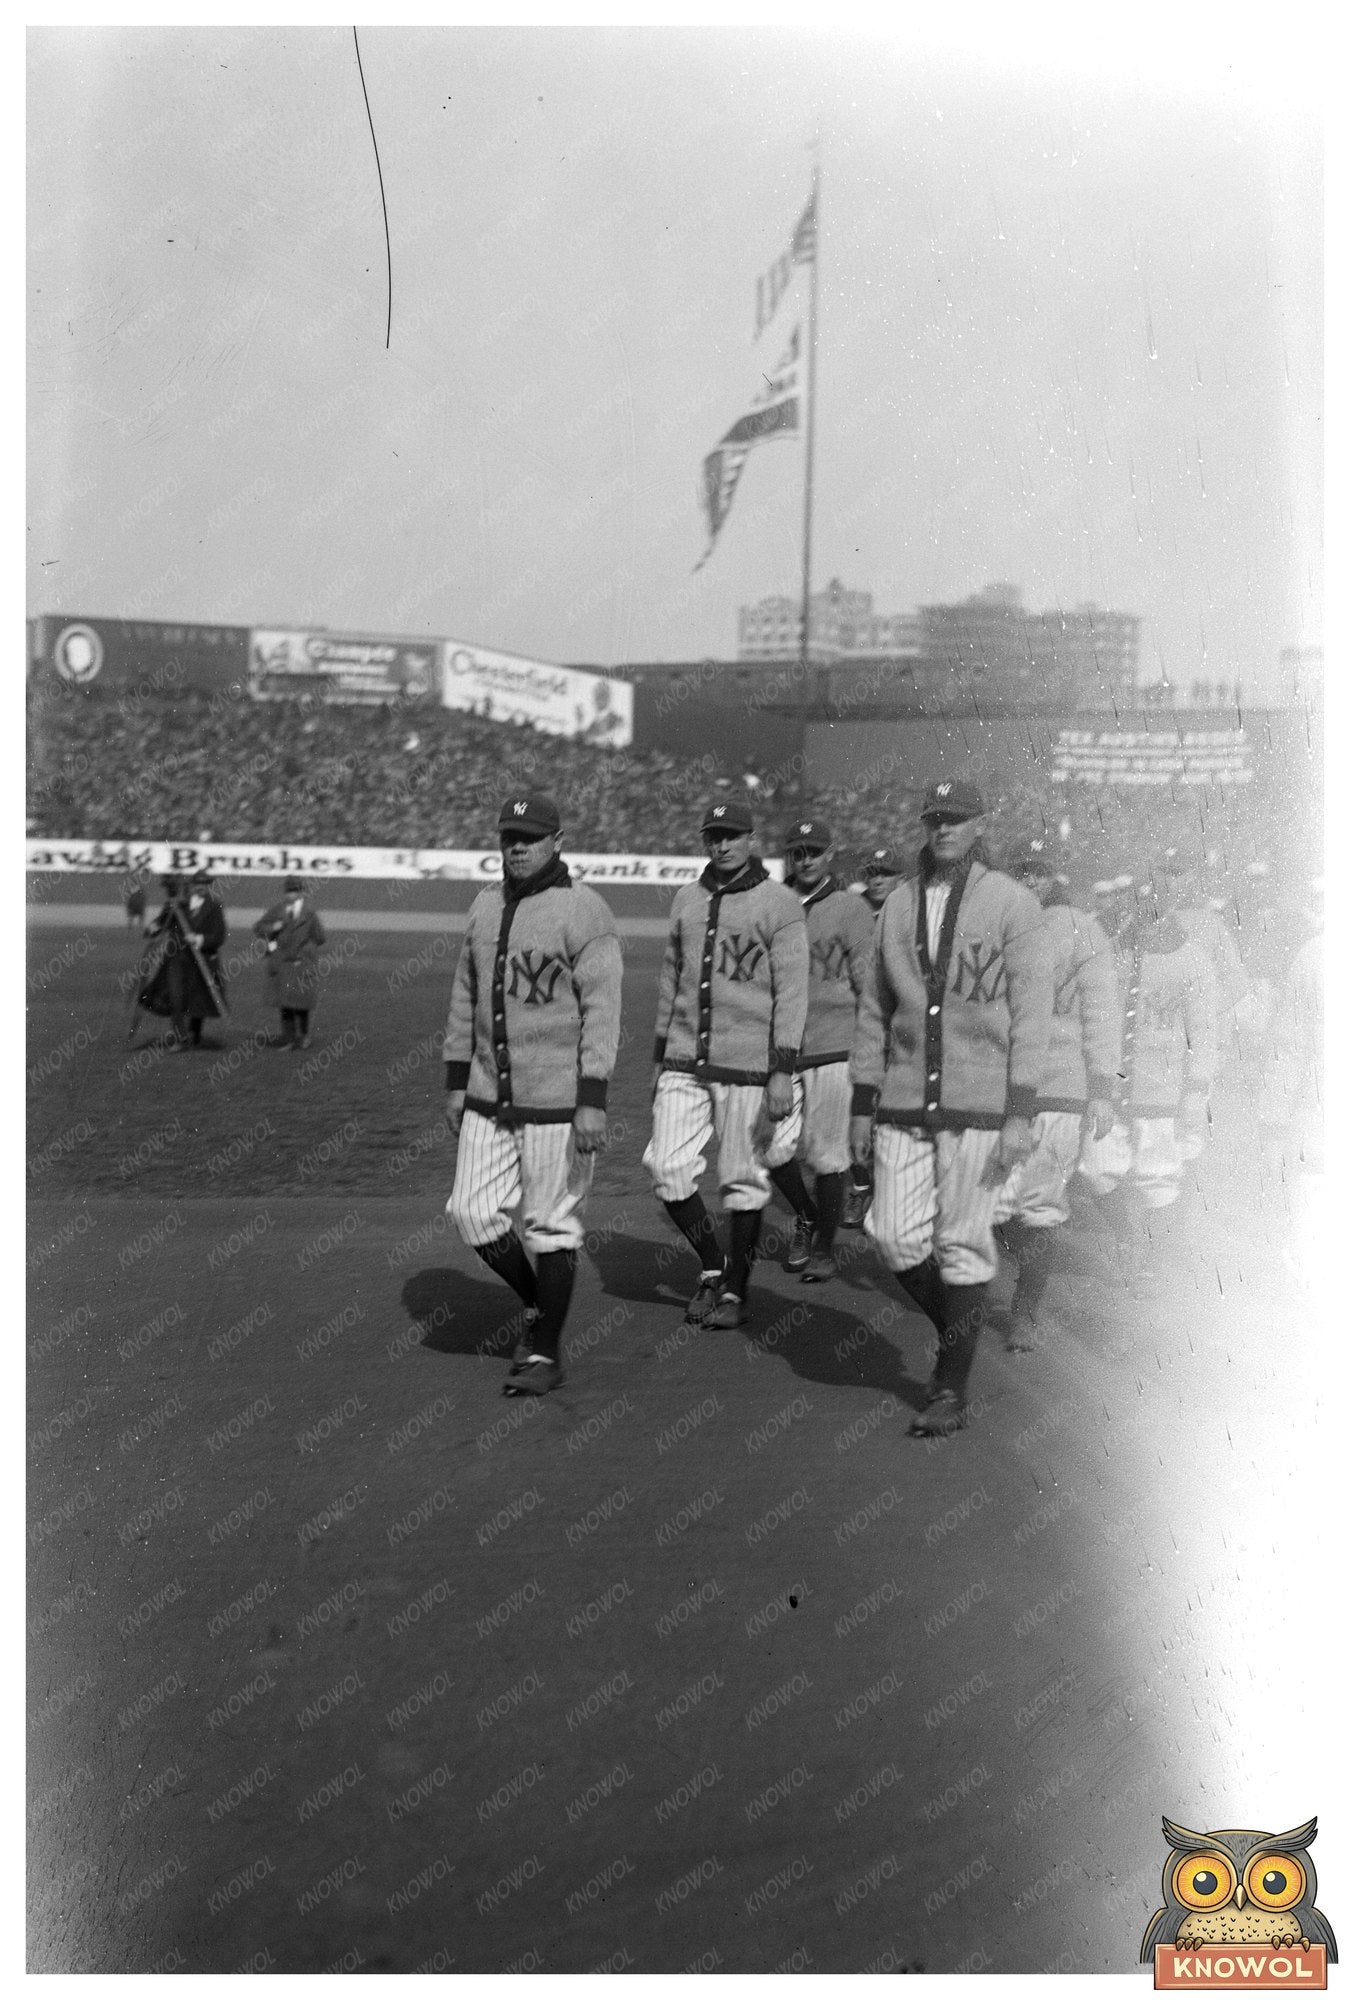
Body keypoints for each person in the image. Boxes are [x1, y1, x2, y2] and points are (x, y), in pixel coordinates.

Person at [849, 779, 1051, 1437]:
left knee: (963, 1244)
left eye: (957, 820)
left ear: (979, 824)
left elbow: (1030, 1014)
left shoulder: (1012, 904)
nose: (944, 830)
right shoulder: (899, 903)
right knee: (893, 1234)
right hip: (906, 1098)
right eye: (935, 818)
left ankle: (950, 1388)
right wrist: (861, 1100)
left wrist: (1021, 1110)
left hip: (984, 1103)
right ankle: (957, 1329)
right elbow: (875, 1009)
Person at [444, 793, 622, 1397]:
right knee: (470, 1211)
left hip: (559, 1099)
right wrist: (454, 1081)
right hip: (488, 1092)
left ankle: (545, 1354)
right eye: (508, 837)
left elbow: (603, 1011)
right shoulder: (484, 904)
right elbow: (465, 997)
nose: (516, 847)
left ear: (557, 841)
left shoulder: (585, 910)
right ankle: (538, 1306)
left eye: (529, 837)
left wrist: (593, 1096)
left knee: (551, 1224)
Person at [643, 797, 808, 1330]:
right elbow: (671, 980)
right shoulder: (687, 899)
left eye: (732, 835)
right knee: (666, 1167)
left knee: (742, 1177)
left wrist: (783, 1067)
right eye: (714, 835)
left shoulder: (779, 903)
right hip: (685, 1058)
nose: (722, 844)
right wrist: (659, 1054)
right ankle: (713, 1266)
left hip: (750, 1065)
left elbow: (793, 991)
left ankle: (735, 1292)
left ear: (751, 840)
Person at [991, 836, 1119, 1350]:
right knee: (989, 1204)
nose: (1030, 882)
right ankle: (1017, 1275)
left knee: (1040, 1205)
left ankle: (1025, 1309)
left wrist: (1104, 1088)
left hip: (1059, 1086)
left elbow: (1102, 1012)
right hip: (996, 1085)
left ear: (1055, 879)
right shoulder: (995, 923)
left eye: (1039, 873)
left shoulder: (1081, 928)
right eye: (1022, 871)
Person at [1076, 863, 1217, 1298]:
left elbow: (1204, 1032)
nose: (1149, 909)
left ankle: (1144, 1255)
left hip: (1164, 1087)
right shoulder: (1113, 952)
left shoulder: (1193, 959)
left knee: (1157, 1179)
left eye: (1158, 900)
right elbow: (1096, 1015)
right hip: (1114, 1084)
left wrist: (1195, 1090)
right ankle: (1129, 1235)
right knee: (1095, 1171)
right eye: (1141, 900)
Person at [770, 818, 876, 1282]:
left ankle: (825, 1248)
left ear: (829, 854)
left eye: (814, 850)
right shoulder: (772, 903)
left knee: (828, 1155)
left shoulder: (851, 909)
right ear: (788, 856)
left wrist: (872, 1049)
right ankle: (809, 1215)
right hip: (779, 1049)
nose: (806, 859)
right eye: (798, 851)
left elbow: (868, 984)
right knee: (769, 1150)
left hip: (835, 1047)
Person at [843, 847, 907, 1227]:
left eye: (887, 872)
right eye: (873, 872)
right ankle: (862, 1187)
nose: (878, 878)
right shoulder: (854, 910)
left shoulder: (910, 910)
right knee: (856, 1109)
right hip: (855, 1022)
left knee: (896, 1113)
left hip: (900, 1023)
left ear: (901, 877)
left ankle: (892, 1190)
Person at [134, 871, 228, 1050]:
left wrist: (199, 939)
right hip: (176, 959)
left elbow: (219, 936)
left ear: (208, 886)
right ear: (191, 885)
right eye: (197, 884)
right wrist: (152, 928)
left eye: (204, 884)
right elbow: (161, 924)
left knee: (198, 1000)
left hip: (201, 960)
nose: (200, 887)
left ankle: (195, 1034)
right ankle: (181, 1038)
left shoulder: (215, 907)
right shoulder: (177, 905)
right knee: (176, 998)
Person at [254, 876, 328, 1049]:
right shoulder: (277, 910)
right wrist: (273, 928)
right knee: (285, 1003)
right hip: (282, 964)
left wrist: (307, 950)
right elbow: (258, 927)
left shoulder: (309, 913)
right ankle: (288, 1038)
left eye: (294, 891)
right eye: (289, 891)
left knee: (301, 1004)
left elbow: (320, 937)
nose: (291, 895)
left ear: (301, 892)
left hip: (301, 964)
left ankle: (303, 1036)